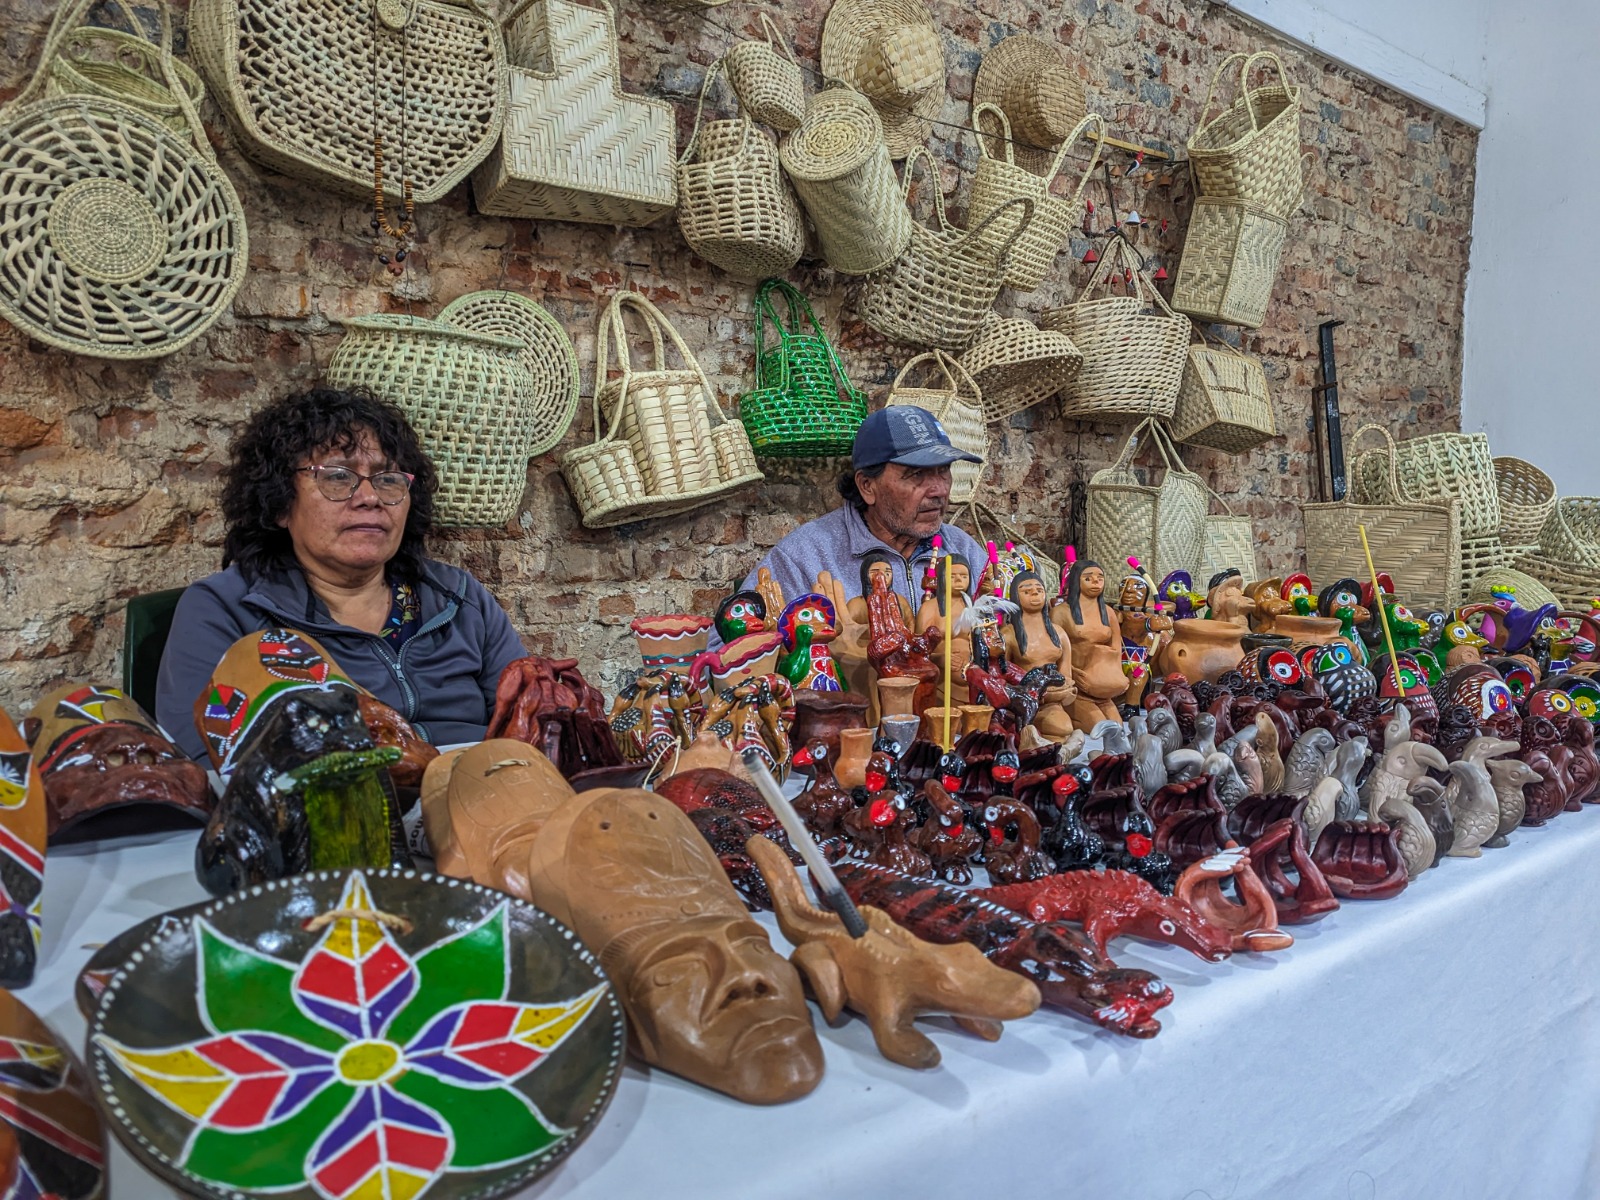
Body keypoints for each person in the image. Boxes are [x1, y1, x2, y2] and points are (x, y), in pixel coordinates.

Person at [155, 387, 526, 760]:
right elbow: (205, 761)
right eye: (337, 477)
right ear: (281, 503)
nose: (370, 497)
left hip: (485, 797)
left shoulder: (458, 598)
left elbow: (530, 722)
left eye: (388, 478)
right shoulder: (229, 610)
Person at [738, 407, 987, 621]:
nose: (940, 490)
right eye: (916, 474)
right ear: (868, 486)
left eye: (943, 470)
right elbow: (727, 649)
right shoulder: (807, 557)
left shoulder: (961, 550)